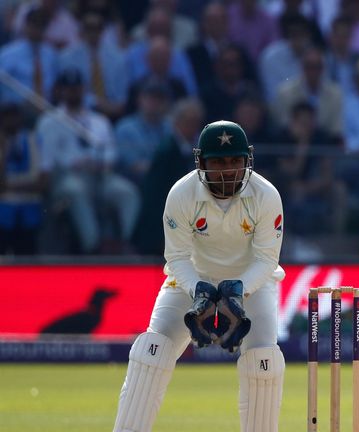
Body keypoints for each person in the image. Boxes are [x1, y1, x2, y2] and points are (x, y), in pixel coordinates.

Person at [113, 121, 286, 432]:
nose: (228, 170)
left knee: (264, 363)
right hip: (191, 280)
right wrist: (200, 291)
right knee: (152, 351)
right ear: (201, 162)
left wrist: (238, 291)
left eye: (234, 161)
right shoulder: (182, 194)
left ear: (247, 160)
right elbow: (177, 258)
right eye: (218, 162)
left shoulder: (266, 195)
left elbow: (266, 260)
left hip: (252, 283)